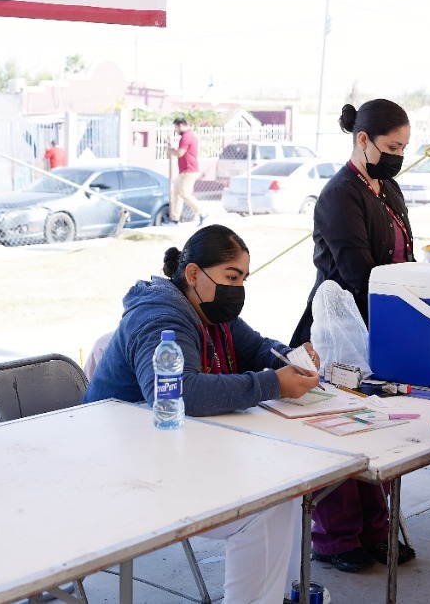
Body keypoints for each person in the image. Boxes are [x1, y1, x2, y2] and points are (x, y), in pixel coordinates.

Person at [83, 225, 320, 604]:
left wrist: (289, 357)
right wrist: (272, 384)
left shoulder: (208, 310)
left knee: (285, 490)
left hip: (174, 453)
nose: (237, 288)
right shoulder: (160, 317)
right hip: (125, 471)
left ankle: (281, 595)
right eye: (231, 276)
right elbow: (182, 394)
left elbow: (257, 348)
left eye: (242, 278)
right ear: (193, 273)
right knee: (261, 509)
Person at [289, 99, 414, 574]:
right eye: (392, 146)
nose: (399, 155)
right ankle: (336, 537)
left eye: (404, 146)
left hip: (383, 318)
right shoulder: (339, 194)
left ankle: (375, 529)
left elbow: (406, 254)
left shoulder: (389, 187)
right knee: (343, 429)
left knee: (375, 428)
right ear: (363, 140)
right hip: (340, 326)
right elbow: (358, 271)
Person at [167, 117, 203, 225]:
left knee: (185, 194)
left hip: (189, 170)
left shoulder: (186, 136)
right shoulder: (187, 135)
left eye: (176, 128)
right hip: (184, 170)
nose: (176, 130)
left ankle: (202, 213)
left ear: (180, 125)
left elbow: (180, 153)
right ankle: (174, 219)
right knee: (177, 194)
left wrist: (170, 151)